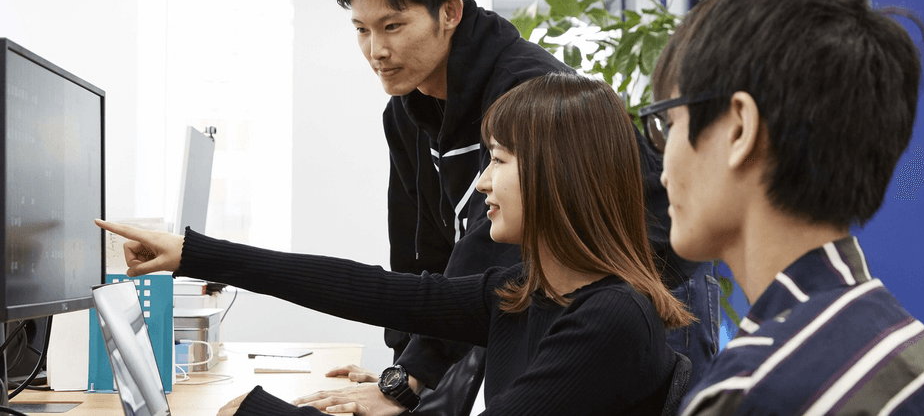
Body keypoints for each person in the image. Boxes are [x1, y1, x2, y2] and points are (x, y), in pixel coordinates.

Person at [98, 72, 694, 416]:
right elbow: (370, 290)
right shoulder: (527, 292)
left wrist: (259, 411)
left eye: (499, 161)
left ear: (558, 176)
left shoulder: (611, 317)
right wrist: (193, 254)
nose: (482, 182)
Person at [331, 0, 720, 408]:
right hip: (556, 285)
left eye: (392, 26)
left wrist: (410, 380)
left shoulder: (522, 89)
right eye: (362, 30)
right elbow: (420, 250)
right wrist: (399, 373)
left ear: (449, 13)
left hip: (654, 283)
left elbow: (488, 249)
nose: (376, 51)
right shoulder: (407, 108)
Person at [637, 0, 924, 415]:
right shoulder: (914, 346)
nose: (662, 170)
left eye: (667, 124)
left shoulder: (748, 393)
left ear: (739, 129)